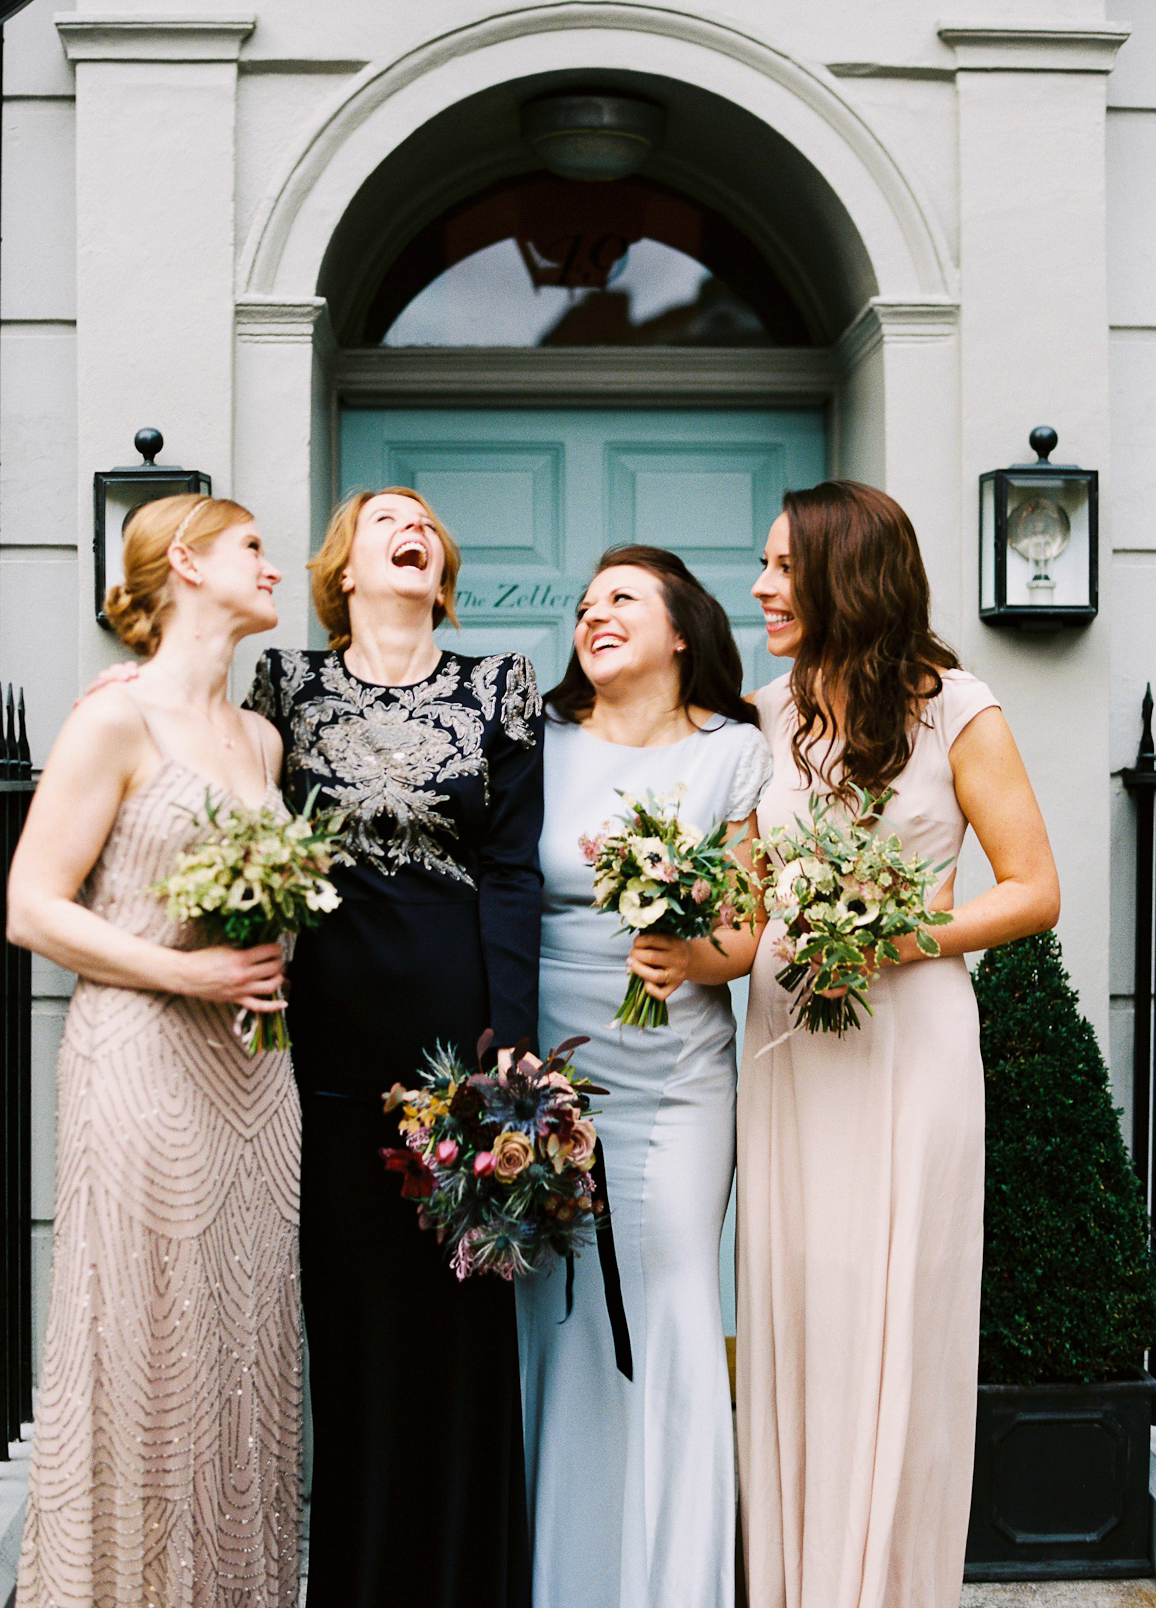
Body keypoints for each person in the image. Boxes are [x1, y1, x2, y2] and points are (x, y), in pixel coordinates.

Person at [737, 481, 1061, 1608]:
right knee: (797, 1296)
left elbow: (1033, 890)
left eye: (783, 566)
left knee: (893, 1304)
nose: (762, 586)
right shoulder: (762, 715)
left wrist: (894, 934)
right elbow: (745, 903)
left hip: (907, 1040)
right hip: (789, 1046)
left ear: (844, 575)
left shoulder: (956, 708)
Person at [247, 487, 541, 1608]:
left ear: (440, 567)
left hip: (455, 1043)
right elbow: (216, 778)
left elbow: (512, 872)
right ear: (346, 568)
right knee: (352, 1319)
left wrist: (507, 1043)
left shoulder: (497, 688)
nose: (411, 531)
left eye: (425, 524)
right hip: (321, 1041)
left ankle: (470, 1580)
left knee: (460, 1319)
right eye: (386, 521)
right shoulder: (285, 686)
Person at [9, 495, 302, 1608]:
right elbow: (32, 908)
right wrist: (186, 972)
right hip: (142, 1062)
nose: (275, 569)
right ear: (186, 562)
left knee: (244, 1349)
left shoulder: (261, 736)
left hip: (254, 1074)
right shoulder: (113, 721)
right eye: (254, 551)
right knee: (146, 1344)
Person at [514, 545, 772, 1608]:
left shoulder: (732, 754)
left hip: (674, 1075)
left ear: (680, 630)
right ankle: (561, 1577)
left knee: (668, 1301)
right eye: (583, 604)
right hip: (543, 1069)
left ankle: (673, 1582)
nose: (594, 614)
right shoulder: (533, 742)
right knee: (556, 1311)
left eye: (622, 598)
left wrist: (692, 953)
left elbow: (747, 930)